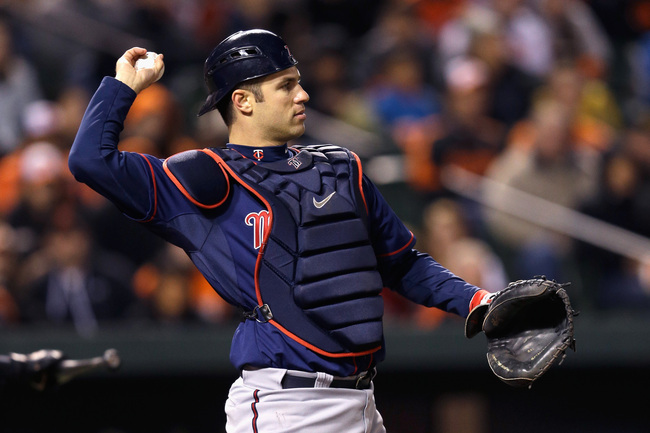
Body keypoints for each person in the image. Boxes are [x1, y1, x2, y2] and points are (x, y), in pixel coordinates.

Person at [69, 29, 492, 433]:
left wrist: (478, 301)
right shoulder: (207, 176)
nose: (302, 94)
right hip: (285, 405)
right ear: (243, 101)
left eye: (298, 82)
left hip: (363, 403)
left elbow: (403, 265)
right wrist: (123, 86)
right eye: (286, 85)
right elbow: (90, 160)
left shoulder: (340, 169)